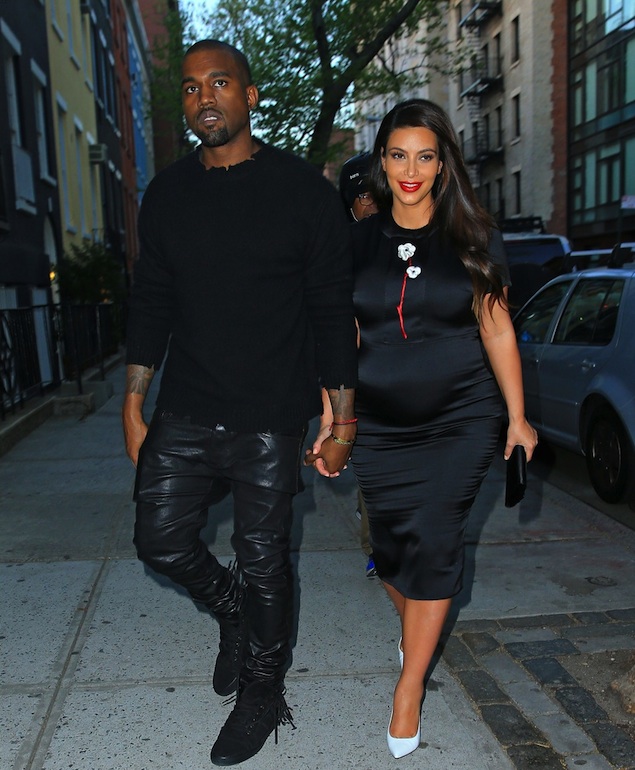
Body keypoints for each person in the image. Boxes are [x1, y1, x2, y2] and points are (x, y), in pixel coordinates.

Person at [122, 39, 357, 766]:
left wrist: (342, 417)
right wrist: (133, 401)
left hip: (270, 411)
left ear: (250, 96)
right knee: (158, 539)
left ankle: (262, 688)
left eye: (219, 83)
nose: (205, 99)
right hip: (187, 403)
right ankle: (232, 614)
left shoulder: (302, 191)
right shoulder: (167, 194)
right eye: (192, 88)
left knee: (264, 560)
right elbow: (151, 300)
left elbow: (330, 310)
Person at [305, 99, 537, 759]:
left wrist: (517, 416)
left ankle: (408, 689)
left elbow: (496, 327)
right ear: (381, 162)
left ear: (443, 164)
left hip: (462, 416)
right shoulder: (355, 243)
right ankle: (417, 629)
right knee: (388, 550)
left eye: (425, 156)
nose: (411, 170)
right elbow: (341, 340)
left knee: (435, 544)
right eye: (399, 155)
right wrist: (334, 418)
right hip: (379, 424)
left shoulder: (473, 234)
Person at [339, 152, 379, 577]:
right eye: (364, 195)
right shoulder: (340, 249)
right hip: (362, 378)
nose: (373, 203)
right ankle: (377, 549)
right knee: (372, 468)